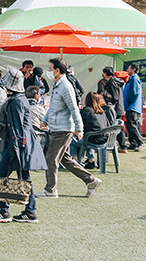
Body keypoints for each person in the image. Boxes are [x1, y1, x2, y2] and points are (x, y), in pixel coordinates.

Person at [0, 68, 47, 223]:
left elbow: (16, 129)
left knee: (2, 174)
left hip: (18, 144)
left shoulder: (15, 102)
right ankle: (30, 211)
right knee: (24, 176)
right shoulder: (20, 99)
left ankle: (4, 211)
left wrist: (15, 149)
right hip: (22, 143)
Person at [37, 58, 101, 199]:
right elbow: (53, 106)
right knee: (65, 159)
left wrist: (79, 129)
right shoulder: (57, 85)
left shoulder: (66, 86)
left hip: (63, 129)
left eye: (50, 68)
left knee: (51, 158)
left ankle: (50, 189)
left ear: (57, 70)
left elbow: (74, 109)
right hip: (57, 127)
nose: (49, 71)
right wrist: (46, 120)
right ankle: (91, 180)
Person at [75, 91, 111, 169]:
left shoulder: (86, 110)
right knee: (88, 136)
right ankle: (91, 160)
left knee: (73, 142)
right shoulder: (102, 111)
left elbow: (78, 123)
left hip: (92, 140)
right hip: (104, 140)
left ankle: (74, 160)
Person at [100, 66, 126, 150]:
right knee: (119, 127)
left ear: (105, 73)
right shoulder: (118, 81)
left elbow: (114, 97)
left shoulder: (112, 82)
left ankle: (122, 146)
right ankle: (122, 146)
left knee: (116, 127)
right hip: (120, 107)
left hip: (114, 108)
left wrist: (106, 97)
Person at [122, 63, 146, 151]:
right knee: (130, 124)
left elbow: (135, 93)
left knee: (133, 125)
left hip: (133, 106)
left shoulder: (135, 79)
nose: (127, 70)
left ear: (133, 69)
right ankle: (133, 142)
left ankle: (140, 142)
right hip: (130, 106)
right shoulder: (131, 79)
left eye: (129, 68)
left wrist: (129, 102)